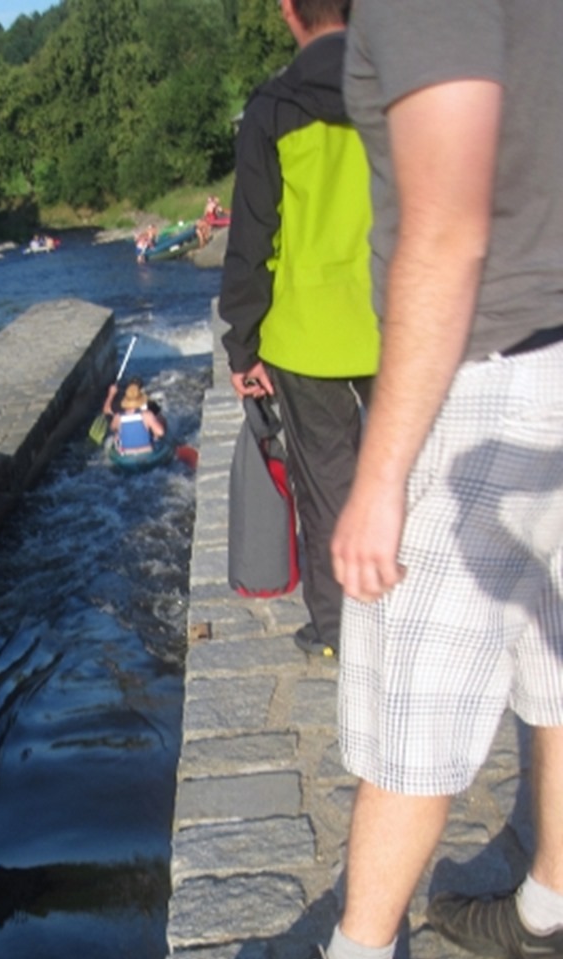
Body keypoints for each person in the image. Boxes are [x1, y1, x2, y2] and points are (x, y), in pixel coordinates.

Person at [215, 0, 563, 959]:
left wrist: (384, 475)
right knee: (553, 655)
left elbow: (446, 229)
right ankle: (545, 912)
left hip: (486, 367)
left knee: (412, 683)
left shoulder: (407, 12)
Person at [219, 0, 380, 658]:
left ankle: (339, 630)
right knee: (414, 475)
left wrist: (241, 343)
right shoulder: (395, 86)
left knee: (327, 489)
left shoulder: (272, 108)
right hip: (393, 315)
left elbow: (252, 240)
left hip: (305, 334)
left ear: (289, 11)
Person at [106, 380, 165, 455]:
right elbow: (161, 433)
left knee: (116, 435)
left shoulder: (118, 416)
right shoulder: (147, 415)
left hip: (126, 452)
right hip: (146, 451)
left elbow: (112, 427)